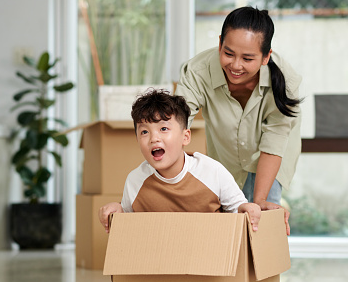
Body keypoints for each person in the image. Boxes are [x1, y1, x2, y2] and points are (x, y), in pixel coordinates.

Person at [176, 6, 303, 235]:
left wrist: (260, 199)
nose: (235, 65)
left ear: (266, 56)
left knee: (260, 224)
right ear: (219, 43)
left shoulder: (285, 81)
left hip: (271, 156)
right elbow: (177, 122)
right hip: (225, 154)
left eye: (247, 58)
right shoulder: (197, 71)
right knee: (227, 227)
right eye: (228, 53)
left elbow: (274, 142)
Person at [98, 89, 261, 233]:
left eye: (163, 129)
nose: (154, 138)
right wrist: (117, 209)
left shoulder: (211, 172)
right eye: (144, 132)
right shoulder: (135, 181)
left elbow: (238, 210)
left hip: (210, 258)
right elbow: (128, 222)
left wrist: (247, 207)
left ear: (185, 137)